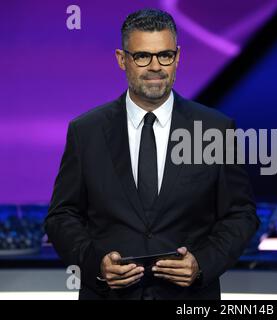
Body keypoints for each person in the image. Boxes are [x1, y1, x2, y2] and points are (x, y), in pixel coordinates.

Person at [44, 8, 259, 300]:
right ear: (122, 60)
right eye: (142, 56)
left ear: (178, 57)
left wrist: (201, 264)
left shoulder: (214, 129)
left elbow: (240, 215)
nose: (155, 66)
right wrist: (96, 263)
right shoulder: (86, 131)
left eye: (165, 55)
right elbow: (62, 216)